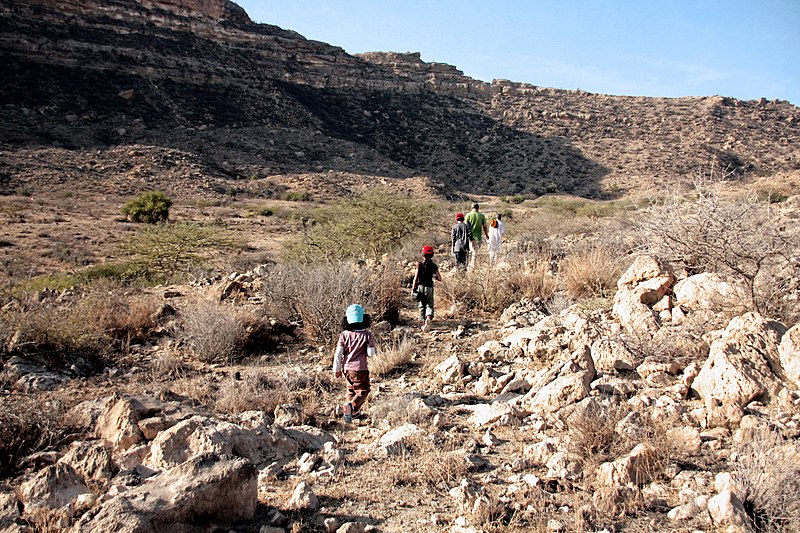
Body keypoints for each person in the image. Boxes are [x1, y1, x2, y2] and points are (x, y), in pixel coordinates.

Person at [332, 304, 375, 423]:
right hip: (360, 369)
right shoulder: (367, 335)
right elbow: (371, 353)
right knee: (363, 390)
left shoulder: (344, 335)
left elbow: (338, 354)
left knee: (351, 390)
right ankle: (352, 407)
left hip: (346, 369)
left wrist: (336, 369)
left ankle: (351, 415)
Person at [411, 245, 442, 331]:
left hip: (420, 287)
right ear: (432, 255)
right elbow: (439, 279)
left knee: (421, 305)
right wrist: (433, 275)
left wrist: (413, 288)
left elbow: (415, 277)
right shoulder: (433, 266)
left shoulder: (419, 264)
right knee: (429, 304)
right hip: (429, 287)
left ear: (422, 254)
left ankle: (424, 323)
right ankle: (428, 317)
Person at [465, 202, 489, 270]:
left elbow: (466, 227)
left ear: (472, 208)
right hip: (478, 238)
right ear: (478, 208)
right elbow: (485, 227)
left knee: (470, 253)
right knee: (475, 253)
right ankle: (472, 269)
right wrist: (487, 235)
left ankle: (469, 267)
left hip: (469, 238)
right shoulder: (481, 216)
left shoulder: (468, 215)